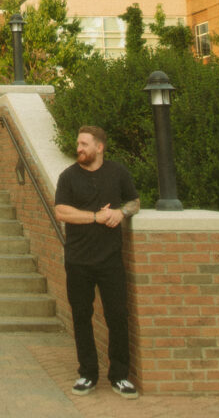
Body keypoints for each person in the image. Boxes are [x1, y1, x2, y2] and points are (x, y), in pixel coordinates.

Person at [54, 125, 140, 399]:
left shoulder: (117, 172)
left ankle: (119, 376)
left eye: (84, 144)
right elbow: (61, 211)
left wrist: (120, 213)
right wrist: (96, 217)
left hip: (110, 260)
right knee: (81, 316)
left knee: (117, 316)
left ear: (99, 147)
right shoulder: (68, 176)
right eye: (78, 144)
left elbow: (135, 201)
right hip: (78, 260)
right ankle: (87, 374)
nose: (79, 148)